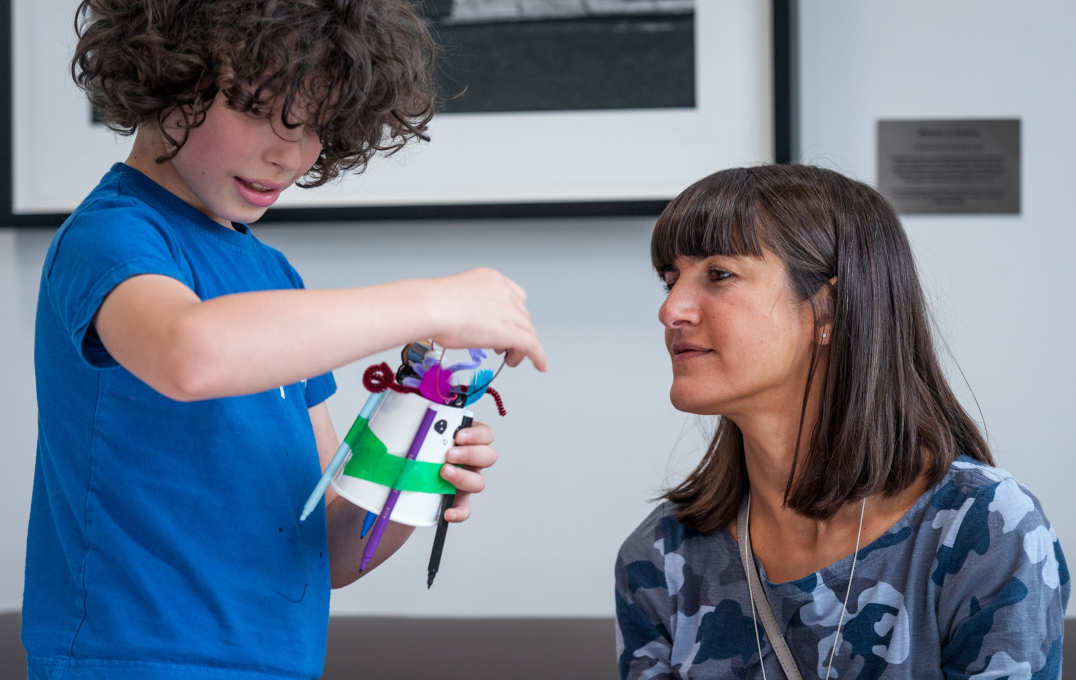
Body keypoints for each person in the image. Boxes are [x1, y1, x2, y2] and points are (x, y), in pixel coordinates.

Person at [22, 1, 547, 678]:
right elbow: (191, 354)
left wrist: (416, 463)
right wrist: (434, 301)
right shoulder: (113, 236)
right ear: (168, 76)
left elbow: (331, 551)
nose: (290, 154)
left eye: (316, 128)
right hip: (130, 659)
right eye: (261, 111)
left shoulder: (273, 276)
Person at [614, 165, 1069, 679]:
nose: (671, 309)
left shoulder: (983, 527)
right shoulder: (659, 557)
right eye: (670, 280)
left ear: (828, 306)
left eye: (719, 275)